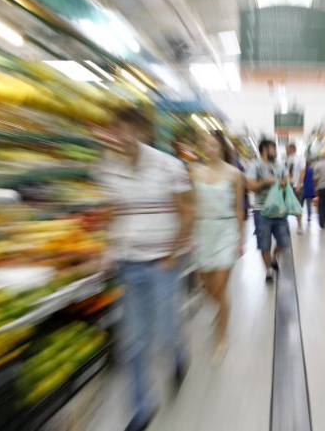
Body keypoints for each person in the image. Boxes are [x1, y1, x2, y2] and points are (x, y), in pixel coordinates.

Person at [98, 107, 194, 431]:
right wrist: (108, 249)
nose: (122, 137)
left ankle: (178, 351)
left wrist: (173, 253)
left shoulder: (170, 166)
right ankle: (141, 409)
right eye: (117, 130)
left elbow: (187, 212)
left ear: (142, 132)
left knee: (164, 334)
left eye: (129, 130)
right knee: (134, 340)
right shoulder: (109, 167)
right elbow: (114, 212)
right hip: (128, 264)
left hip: (161, 265)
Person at [191, 132, 244, 364]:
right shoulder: (195, 172)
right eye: (205, 145)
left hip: (225, 231)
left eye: (213, 145)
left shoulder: (234, 174)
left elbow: (239, 208)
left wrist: (240, 239)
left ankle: (222, 338)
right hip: (203, 232)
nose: (209, 148)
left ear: (222, 147)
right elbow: (191, 205)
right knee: (205, 287)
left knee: (220, 288)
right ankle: (221, 313)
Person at [247, 139, 289, 282]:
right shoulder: (254, 166)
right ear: (265, 149)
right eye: (273, 148)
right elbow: (251, 186)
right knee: (264, 243)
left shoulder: (279, 165)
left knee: (284, 241)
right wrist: (265, 181)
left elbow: (286, 180)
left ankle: (272, 258)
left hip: (279, 209)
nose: (276, 152)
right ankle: (268, 270)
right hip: (261, 210)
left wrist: (285, 183)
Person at [285, 143, 306, 234]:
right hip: (287, 186)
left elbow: (302, 172)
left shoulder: (300, 158)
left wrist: (299, 184)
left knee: (298, 206)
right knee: (285, 206)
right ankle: (284, 225)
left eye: (287, 149)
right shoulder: (286, 159)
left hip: (297, 186)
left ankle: (299, 225)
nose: (286, 150)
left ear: (293, 148)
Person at [301, 158, 316, 223]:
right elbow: (314, 178)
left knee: (300, 203)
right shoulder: (311, 170)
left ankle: (299, 216)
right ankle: (309, 217)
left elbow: (301, 179)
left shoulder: (302, 170)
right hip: (310, 187)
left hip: (303, 187)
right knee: (308, 204)